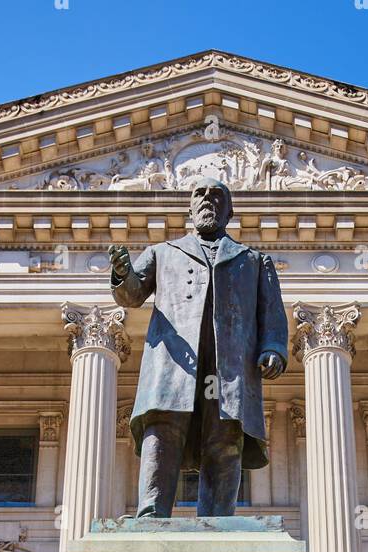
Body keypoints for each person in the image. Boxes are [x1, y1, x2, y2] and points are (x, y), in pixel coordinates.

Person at [109, 178, 287, 517]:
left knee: (225, 438)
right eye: (200, 195)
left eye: (218, 196)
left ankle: (218, 521)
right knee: (162, 433)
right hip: (174, 366)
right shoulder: (163, 253)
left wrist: (274, 348)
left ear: (230, 211)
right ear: (190, 208)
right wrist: (121, 273)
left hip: (228, 369)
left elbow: (272, 315)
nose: (209, 200)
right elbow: (131, 295)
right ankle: (151, 515)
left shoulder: (253, 260)